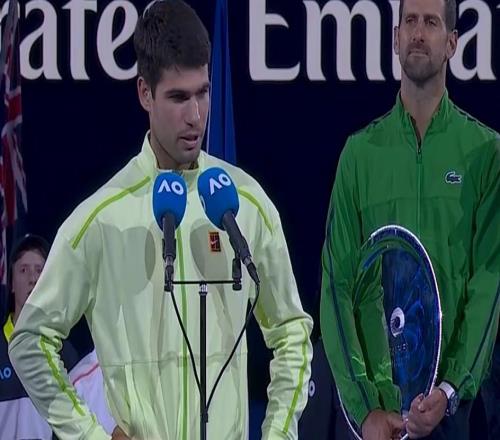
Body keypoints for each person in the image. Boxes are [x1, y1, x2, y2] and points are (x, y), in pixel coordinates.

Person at [9, 1, 313, 439]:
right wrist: (89, 434)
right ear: (145, 93)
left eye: (203, 92)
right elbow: (29, 340)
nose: (195, 116)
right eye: (178, 97)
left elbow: (291, 331)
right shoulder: (102, 219)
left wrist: (278, 434)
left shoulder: (245, 204)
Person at [319, 0, 499, 439]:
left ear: (452, 43)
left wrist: (450, 388)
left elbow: (489, 282)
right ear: (396, 38)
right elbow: (337, 285)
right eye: (410, 21)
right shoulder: (359, 155)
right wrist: (364, 408)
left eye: (431, 22)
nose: (419, 32)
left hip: (456, 413)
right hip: (378, 416)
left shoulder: (485, 153)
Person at [0, 234, 115, 439]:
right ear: (12, 283)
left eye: (40, 271)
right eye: (24, 270)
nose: (33, 279)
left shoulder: (65, 354)